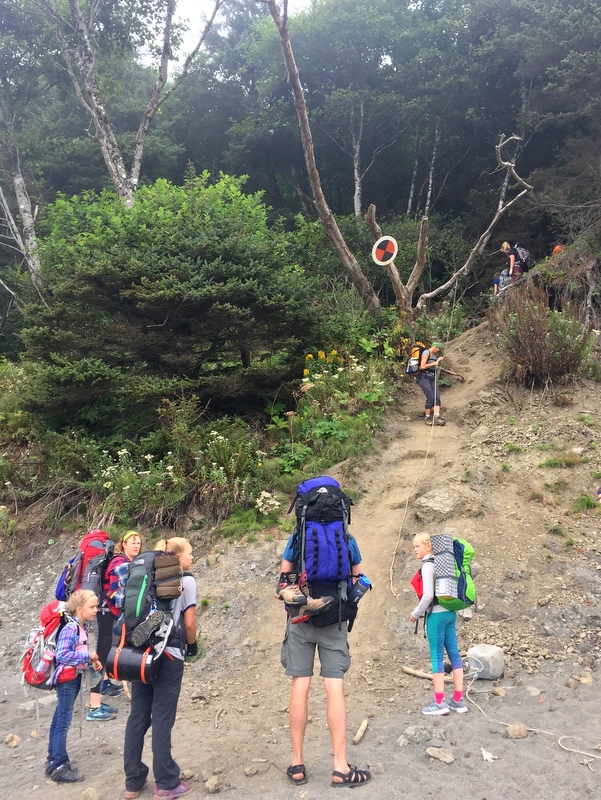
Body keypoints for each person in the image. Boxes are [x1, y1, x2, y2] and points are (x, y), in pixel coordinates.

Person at [278, 533, 372, 788]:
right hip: (335, 618)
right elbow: (357, 579)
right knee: (334, 686)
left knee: (300, 683)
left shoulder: (298, 536)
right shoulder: (347, 538)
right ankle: (340, 767)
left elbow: (284, 580)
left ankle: (297, 763)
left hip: (300, 620)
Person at [123, 537, 197, 800]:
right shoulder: (186, 581)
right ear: (177, 558)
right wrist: (193, 647)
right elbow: (188, 623)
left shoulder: (146, 576)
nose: (192, 558)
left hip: (140, 653)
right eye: (189, 553)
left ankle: (133, 781)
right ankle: (166, 783)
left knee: (138, 715)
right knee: (162, 716)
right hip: (169, 653)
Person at [46, 589, 103, 782]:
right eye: (92, 607)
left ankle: (52, 761)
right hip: (67, 680)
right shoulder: (71, 628)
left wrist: (90, 661)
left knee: (58, 719)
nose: (96, 610)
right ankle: (60, 765)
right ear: (79, 609)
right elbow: (62, 655)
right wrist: (88, 656)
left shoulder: (80, 626)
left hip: (73, 677)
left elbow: (75, 652)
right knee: (63, 722)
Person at [87, 530, 143, 719]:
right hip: (105, 613)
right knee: (101, 656)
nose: (137, 545)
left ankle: (103, 686)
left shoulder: (122, 562)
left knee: (105, 653)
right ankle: (93, 707)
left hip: (104, 612)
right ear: (123, 544)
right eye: (132, 542)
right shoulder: (122, 565)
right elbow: (117, 597)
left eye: (139, 543)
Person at [409, 533, 466, 715]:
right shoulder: (443, 563)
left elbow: (427, 595)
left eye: (418, 546)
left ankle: (439, 703)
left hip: (437, 616)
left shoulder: (427, 566)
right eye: (414, 546)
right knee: (455, 655)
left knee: (436, 657)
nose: (415, 549)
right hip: (450, 613)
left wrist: (416, 613)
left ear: (428, 546)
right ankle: (458, 700)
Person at [418, 341, 445, 426]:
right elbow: (422, 366)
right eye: (436, 347)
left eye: (439, 348)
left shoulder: (434, 355)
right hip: (424, 377)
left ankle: (436, 417)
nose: (437, 349)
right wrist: (434, 363)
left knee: (436, 396)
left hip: (432, 378)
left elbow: (433, 365)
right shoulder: (426, 352)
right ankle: (427, 417)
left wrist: (437, 361)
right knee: (430, 396)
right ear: (432, 346)